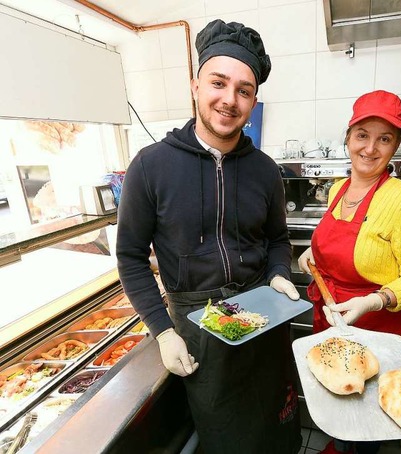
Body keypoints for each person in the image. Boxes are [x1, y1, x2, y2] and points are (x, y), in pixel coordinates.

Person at [116, 19, 302, 454]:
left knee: (277, 425)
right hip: (199, 326)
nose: (230, 99)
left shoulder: (264, 170)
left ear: (254, 100)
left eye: (244, 90)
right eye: (219, 82)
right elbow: (129, 257)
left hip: (262, 315)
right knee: (226, 436)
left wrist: (278, 272)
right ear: (196, 84)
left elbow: (277, 238)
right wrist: (162, 331)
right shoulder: (150, 166)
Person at [298, 90, 401, 454]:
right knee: (337, 405)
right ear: (348, 138)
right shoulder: (336, 190)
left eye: (384, 138)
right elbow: (329, 250)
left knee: (364, 419)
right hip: (329, 317)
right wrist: (309, 259)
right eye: (362, 135)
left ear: (395, 147)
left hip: (376, 328)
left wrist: (374, 301)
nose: (370, 148)